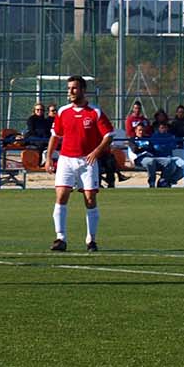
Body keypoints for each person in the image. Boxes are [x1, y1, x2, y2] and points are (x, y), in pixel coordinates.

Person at [43, 75, 113, 253]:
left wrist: (96, 152)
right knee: (61, 196)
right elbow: (55, 135)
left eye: (74, 88)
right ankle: (60, 238)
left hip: (86, 161)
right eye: (69, 89)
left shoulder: (95, 112)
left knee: (90, 198)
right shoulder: (62, 112)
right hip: (66, 159)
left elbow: (108, 135)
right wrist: (49, 157)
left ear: (83, 90)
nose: (71, 92)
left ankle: (91, 239)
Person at [132, 122, 184, 188]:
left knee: (170, 162)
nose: (141, 132)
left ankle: (163, 181)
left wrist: (142, 147)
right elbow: (135, 150)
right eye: (139, 130)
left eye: (143, 130)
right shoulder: (132, 139)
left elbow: (152, 148)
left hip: (154, 157)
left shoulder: (149, 138)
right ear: (136, 131)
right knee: (150, 161)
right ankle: (152, 182)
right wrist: (145, 148)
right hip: (141, 158)